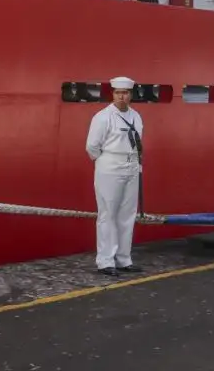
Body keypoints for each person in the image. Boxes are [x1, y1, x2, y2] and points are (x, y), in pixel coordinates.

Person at [85, 75, 144, 276]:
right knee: (108, 214)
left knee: (127, 215)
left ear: (130, 95)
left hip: (131, 166)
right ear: (113, 94)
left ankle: (123, 259)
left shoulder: (136, 116)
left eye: (125, 93)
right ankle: (105, 261)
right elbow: (92, 146)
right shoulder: (102, 117)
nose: (122, 97)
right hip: (110, 166)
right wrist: (106, 162)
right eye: (118, 93)